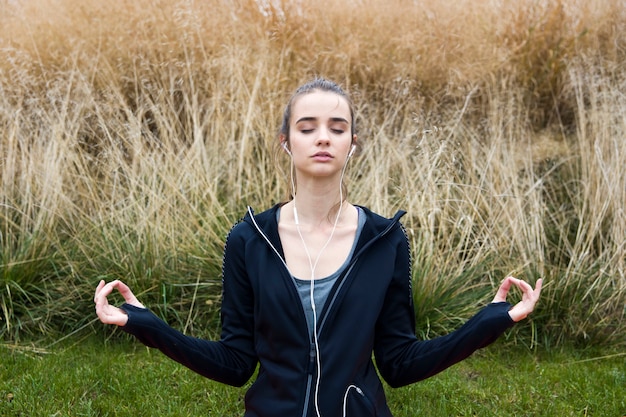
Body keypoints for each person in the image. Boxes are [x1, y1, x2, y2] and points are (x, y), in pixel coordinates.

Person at [94, 78, 542, 417]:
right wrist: (146, 324)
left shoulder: (384, 241)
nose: (323, 137)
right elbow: (234, 363)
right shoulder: (249, 239)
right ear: (287, 143)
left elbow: (400, 362)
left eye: (337, 127)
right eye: (307, 128)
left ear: (353, 146)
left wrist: (489, 322)